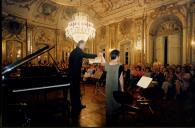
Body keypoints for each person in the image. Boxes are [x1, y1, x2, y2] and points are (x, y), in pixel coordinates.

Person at [68, 40, 97, 118]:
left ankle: (77, 105)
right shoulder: (78, 51)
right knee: (75, 90)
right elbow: (86, 55)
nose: (84, 46)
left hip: (73, 74)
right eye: (84, 45)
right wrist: (96, 55)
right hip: (75, 75)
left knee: (75, 90)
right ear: (80, 44)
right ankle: (76, 106)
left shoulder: (74, 51)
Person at [104, 49, 124, 123]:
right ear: (117, 56)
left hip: (108, 86)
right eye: (119, 56)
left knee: (109, 99)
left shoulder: (107, 65)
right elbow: (121, 79)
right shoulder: (120, 65)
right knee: (116, 100)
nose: (119, 57)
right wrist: (122, 89)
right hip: (116, 86)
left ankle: (109, 116)